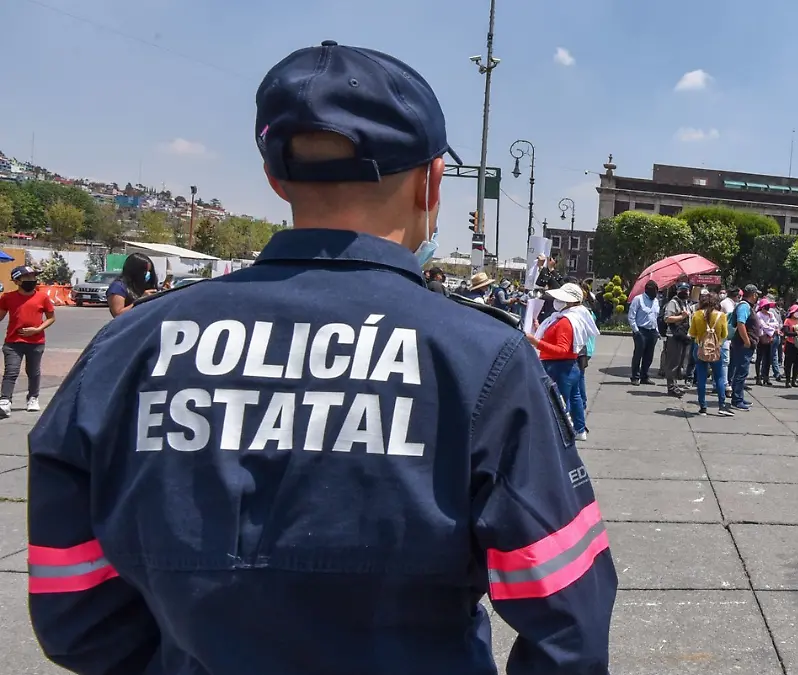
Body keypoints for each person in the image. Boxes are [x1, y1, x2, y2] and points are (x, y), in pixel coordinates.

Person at [26, 41, 616, 675]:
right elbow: (569, 621)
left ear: (276, 178)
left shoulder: (127, 347)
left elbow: (71, 606)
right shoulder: (481, 360)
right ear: (431, 181)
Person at [528, 283, 599, 441]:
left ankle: (560, 436)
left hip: (559, 367)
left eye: (561, 298)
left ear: (570, 302)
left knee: (558, 405)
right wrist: (539, 329)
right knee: (575, 398)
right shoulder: (567, 318)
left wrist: (535, 342)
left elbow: (561, 350)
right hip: (568, 366)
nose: (556, 301)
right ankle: (579, 430)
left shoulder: (565, 321)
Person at [0, 265, 55, 416]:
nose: (32, 280)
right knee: (11, 371)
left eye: (33, 277)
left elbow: (51, 318)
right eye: (28, 277)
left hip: (36, 342)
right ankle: (5, 401)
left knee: (33, 372)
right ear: (17, 281)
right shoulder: (7, 298)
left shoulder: (42, 297)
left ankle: (33, 397)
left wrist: (37, 329)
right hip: (13, 342)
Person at [689, 291, 732, 416]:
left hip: (700, 348)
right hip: (716, 349)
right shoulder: (721, 316)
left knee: (701, 378)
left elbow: (692, 333)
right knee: (719, 377)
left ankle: (703, 407)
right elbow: (725, 334)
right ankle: (722, 406)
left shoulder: (696, 315)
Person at [729, 285, 761, 410]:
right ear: (753, 294)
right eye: (756, 294)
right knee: (741, 371)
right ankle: (736, 400)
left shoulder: (747, 306)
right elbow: (741, 324)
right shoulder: (744, 306)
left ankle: (739, 397)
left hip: (745, 344)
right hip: (743, 344)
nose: (757, 296)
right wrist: (746, 341)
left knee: (743, 371)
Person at [662, 280, 692, 397]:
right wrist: (681, 316)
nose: (685, 292)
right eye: (682, 290)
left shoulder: (686, 303)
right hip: (674, 336)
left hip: (683, 336)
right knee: (673, 363)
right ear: (678, 291)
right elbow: (667, 318)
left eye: (686, 290)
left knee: (680, 362)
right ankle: (671, 387)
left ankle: (675, 385)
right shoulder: (673, 303)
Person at [628, 280, 660, 385]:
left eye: (656, 291)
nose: (655, 293)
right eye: (653, 291)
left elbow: (655, 317)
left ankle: (644, 376)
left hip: (652, 331)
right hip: (641, 331)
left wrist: (657, 331)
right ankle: (635, 377)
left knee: (649, 356)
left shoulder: (656, 301)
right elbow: (631, 316)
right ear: (647, 290)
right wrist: (636, 331)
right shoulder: (638, 299)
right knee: (638, 354)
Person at [106, 252, 158, 317]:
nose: (148, 274)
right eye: (145, 271)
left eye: (149, 271)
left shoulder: (143, 285)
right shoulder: (118, 287)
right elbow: (117, 314)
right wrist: (141, 300)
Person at [754, 298, 779, 387]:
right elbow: (762, 325)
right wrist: (771, 328)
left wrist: (770, 327)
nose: (767, 308)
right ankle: (758, 377)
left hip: (769, 338)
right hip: (761, 337)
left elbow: (776, 324)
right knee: (759, 358)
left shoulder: (771, 314)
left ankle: (766, 377)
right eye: (766, 306)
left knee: (768, 359)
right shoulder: (758, 314)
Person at [781, 304, 798, 388]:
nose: (797, 313)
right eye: (796, 311)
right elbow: (786, 332)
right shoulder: (788, 321)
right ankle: (787, 380)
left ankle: (794, 380)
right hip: (790, 344)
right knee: (788, 363)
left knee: (797, 363)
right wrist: (796, 333)